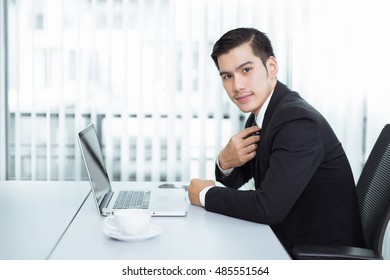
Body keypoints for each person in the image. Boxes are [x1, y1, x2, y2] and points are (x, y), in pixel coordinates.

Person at [188, 27, 365, 257]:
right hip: (285, 238)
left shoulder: (296, 121)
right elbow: (238, 181)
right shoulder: (264, 113)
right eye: (228, 76)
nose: (237, 86)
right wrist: (225, 161)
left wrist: (205, 195)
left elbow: (267, 207)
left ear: (271, 67)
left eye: (246, 70)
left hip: (318, 254)